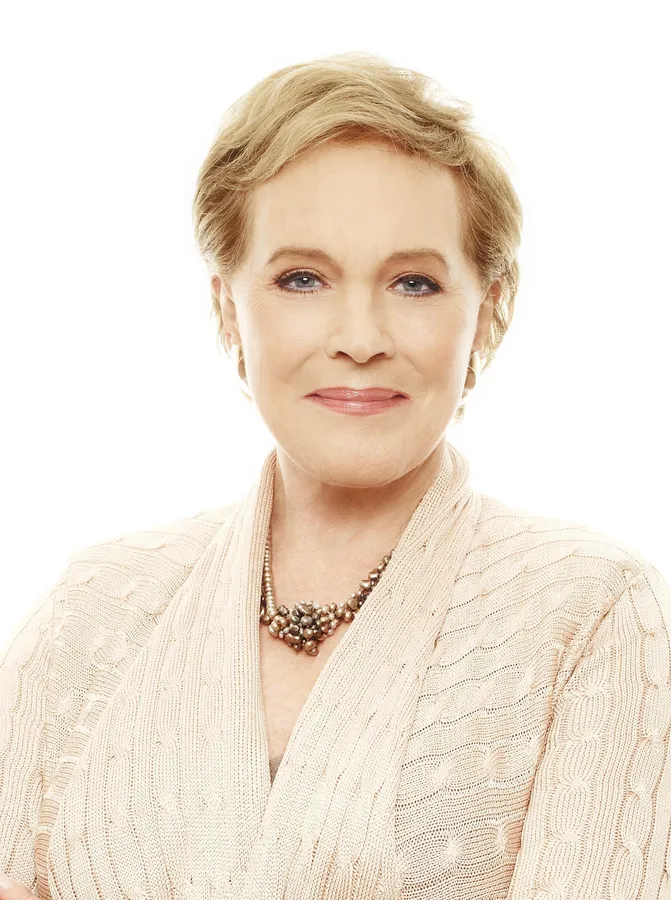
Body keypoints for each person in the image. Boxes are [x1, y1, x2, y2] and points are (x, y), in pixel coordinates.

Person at [1, 51, 670, 900]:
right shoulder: (93, 609)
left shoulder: (589, 614)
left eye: (414, 282)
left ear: (488, 310)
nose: (359, 337)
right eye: (302, 279)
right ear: (227, 307)